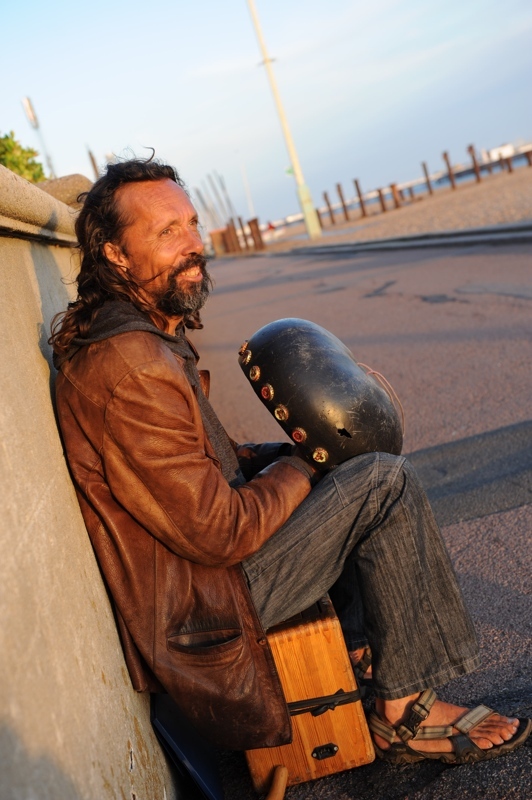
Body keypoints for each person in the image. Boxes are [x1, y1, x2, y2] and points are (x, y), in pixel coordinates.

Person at [51, 157, 530, 764]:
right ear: (117, 255)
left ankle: (362, 653)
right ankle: (404, 712)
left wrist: (290, 458)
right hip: (204, 616)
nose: (195, 244)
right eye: (167, 232)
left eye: (192, 223)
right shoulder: (131, 366)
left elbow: (199, 468)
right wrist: (307, 463)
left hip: (206, 588)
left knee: (349, 469)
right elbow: (220, 531)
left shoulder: (143, 336)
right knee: (381, 482)